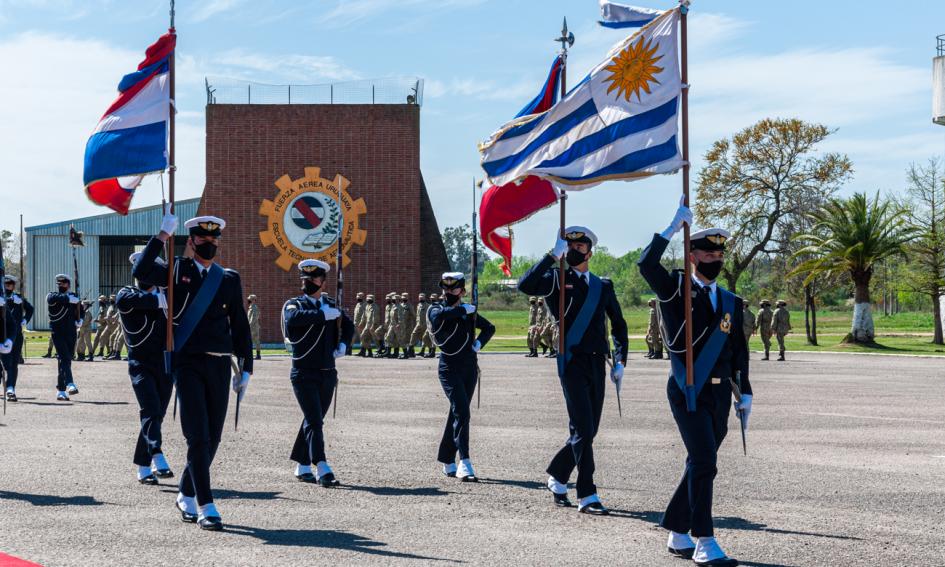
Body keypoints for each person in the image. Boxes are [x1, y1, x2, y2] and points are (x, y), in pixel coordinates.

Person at [637, 202, 752, 566]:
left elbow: (738, 350)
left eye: (719, 252)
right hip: (688, 388)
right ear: (692, 255)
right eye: (707, 252)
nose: (714, 257)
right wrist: (670, 228)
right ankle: (705, 539)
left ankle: (677, 529)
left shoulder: (732, 300)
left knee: (700, 462)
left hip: (720, 393)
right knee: (704, 461)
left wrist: (745, 390)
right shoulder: (676, 289)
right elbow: (646, 265)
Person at [133, 213, 253, 531]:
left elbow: (240, 325)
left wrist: (247, 367)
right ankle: (206, 505)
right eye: (203, 240)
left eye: (214, 240)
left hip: (219, 363)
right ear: (192, 242)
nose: (210, 244)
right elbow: (141, 270)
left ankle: (186, 492)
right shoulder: (178, 270)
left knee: (212, 438)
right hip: (188, 363)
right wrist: (160, 236)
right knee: (197, 436)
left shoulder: (228, 279)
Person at [518, 226, 628, 515]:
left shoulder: (603, 286)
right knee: (582, 427)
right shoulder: (556, 279)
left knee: (588, 430)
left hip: (597, 362)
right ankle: (587, 493)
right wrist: (550, 255)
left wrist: (620, 360)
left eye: (579, 247)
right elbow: (525, 285)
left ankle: (557, 473)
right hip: (571, 361)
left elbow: (618, 324)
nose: (573, 251)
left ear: (590, 252)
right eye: (568, 247)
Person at [282, 259, 354, 487]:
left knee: (314, 419)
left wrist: (343, 344)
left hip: (327, 373)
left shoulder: (331, 305)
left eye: (313, 279)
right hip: (303, 373)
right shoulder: (294, 304)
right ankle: (321, 466)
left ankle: (302, 465)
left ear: (323, 281)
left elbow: (349, 325)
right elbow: (292, 320)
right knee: (314, 420)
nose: (309, 282)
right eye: (305, 279)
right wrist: (322, 316)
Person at [427, 272, 495, 481]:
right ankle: (464, 461)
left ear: (462, 291)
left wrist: (478, 343)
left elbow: (489, 328)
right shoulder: (436, 309)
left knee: (457, 413)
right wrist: (460, 311)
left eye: (453, 288)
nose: (448, 292)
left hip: (469, 368)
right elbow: (438, 318)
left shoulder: (468, 312)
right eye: (445, 288)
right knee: (462, 412)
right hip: (449, 369)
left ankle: (447, 459)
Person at [117, 252, 175, 486]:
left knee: (156, 415)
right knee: (150, 409)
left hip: (165, 363)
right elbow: (127, 302)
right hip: (140, 363)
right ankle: (156, 453)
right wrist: (160, 300)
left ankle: (143, 466)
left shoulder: (168, 295)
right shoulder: (127, 293)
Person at [47, 274, 82, 400]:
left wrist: (80, 319)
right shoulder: (53, 296)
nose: (60, 285)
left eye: (63, 283)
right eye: (59, 283)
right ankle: (70, 383)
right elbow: (53, 298)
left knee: (66, 360)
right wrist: (69, 299)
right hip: (57, 332)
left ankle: (61, 390)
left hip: (71, 332)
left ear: (68, 284)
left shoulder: (73, 297)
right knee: (64, 357)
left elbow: (80, 309)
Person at [3, 275, 33, 401]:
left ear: (14, 285)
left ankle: (11, 389)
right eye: (6, 283)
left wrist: (25, 320)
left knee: (13, 363)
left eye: (10, 283)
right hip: (2, 335)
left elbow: (30, 309)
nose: (8, 285)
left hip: (16, 336)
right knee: (4, 364)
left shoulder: (19, 299)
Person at [90, 295, 112, 360]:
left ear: (104, 301)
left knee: (104, 339)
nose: (99, 302)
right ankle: (94, 351)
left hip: (104, 325)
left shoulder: (106, 308)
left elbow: (106, 317)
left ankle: (107, 351)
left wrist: (98, 320)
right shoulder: (101, 307)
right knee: (98, 338)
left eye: (101, 301)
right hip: (100, 325)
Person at [410, 293, 430, 357]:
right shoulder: (418, 305)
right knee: (413, 334)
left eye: (422, 297)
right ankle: (410, 349)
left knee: (424, 338)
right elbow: (417, 316)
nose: (421, 298)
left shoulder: (428, 306)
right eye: (420, 298)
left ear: (425, 298)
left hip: (425, 325)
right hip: (418, 324)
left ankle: (423, 351)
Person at [400, 292, 416, 359]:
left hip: (408, 325)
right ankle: (410, 353)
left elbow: (414, 315)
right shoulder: (400, 305)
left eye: (405, 298)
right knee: (404, 339)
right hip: (403, 325)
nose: (404, 299)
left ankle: (410, 353)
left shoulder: (410, 306)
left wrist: (412, 322)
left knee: (408, 339)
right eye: (403, 298)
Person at [247, 294, 261, 360]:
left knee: (253, 341)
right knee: (254, 341)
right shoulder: (251, 307)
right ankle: (257, 355)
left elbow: (254, 318)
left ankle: (257, 355)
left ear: (253, 300)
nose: (248, 300)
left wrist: (249, 326)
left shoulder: (254, 307)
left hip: (253, 327)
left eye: (249, 299)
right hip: (253, 326)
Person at [424, 294, 438, 358]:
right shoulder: (430, 306)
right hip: (429, 326)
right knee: (425, 337)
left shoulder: (437, 306)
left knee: (434, 339)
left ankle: (432, 353)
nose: (432, 299)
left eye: (433, 298)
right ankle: (430, 351)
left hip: (434, 326)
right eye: (431, 298)